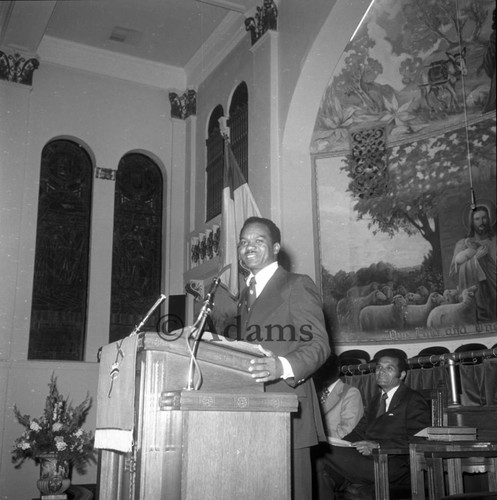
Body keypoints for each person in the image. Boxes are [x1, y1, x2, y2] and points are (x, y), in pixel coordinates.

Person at [236, 216, 331, 500]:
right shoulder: (244, 295)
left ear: (276, 247)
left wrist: (282, 366)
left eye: (258, 240)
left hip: (288, 410)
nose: (248, 246)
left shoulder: (296, 285)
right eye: (243, 242)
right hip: (249, 410)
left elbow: (319, 343)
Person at [314, 350, 430, 500]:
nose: (381, 372)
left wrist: (379, 445)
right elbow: (358, 432)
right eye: (379, 367)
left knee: (321, 453)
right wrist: (340, 443)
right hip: (368, 461)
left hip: (393, 464)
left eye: (389, 368)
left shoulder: (413, 400)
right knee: (323, 471)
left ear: (402, 375)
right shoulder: (376, 400)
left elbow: (419, 440)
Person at [450, 204, 496, 322]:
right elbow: (454, 272)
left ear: (489, 219)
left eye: (484, 217)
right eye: (477, 219)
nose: (481, 222)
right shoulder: (462, 245)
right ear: (471, 222)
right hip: (476, 291)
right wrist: (475, 259)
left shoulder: (495, 241)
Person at [313, 353, 364, 440]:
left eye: (326, 368)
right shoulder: (315, 393)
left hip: (336, 446)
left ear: (337, 370)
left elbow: (347, 431)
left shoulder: (351, 393)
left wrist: (315, 436)